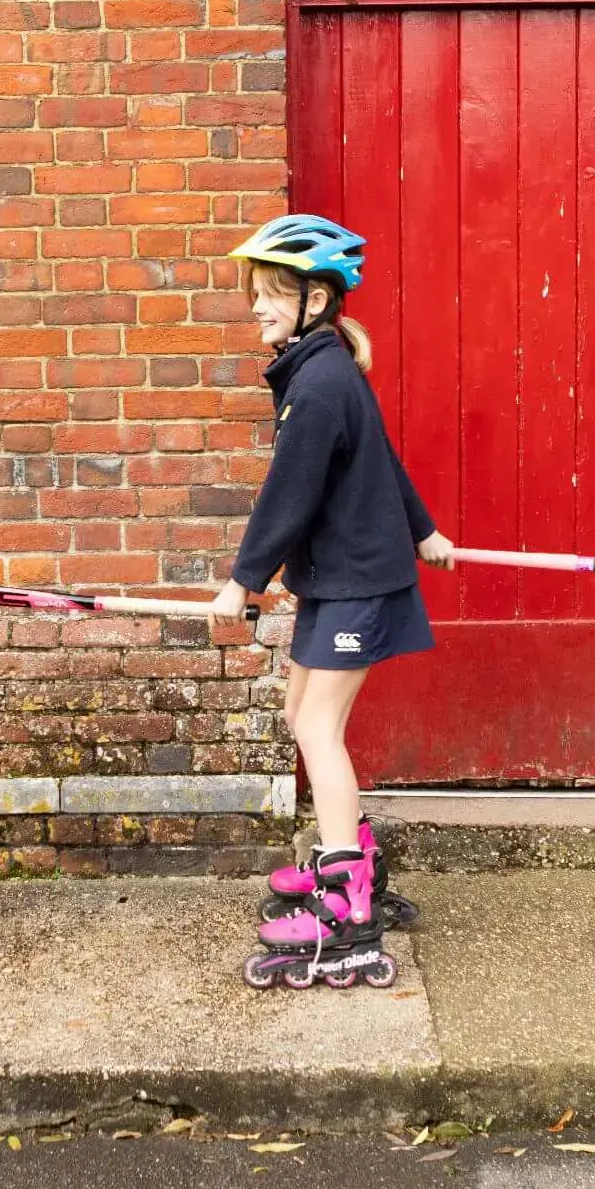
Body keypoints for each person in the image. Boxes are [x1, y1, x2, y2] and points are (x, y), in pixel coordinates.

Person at [213, 214, 454, 991]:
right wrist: (425, 529)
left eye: (272, 294)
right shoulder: (320, 373)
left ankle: (347, 904)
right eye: (256, 294)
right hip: (336, 579)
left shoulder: (319, 384)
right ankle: (350, 854)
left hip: (358, 582)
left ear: (317, 299)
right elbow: (379, 457)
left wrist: (242, 580)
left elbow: (289, 496)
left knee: (318, 726)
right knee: (298, 717)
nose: (257, 308)